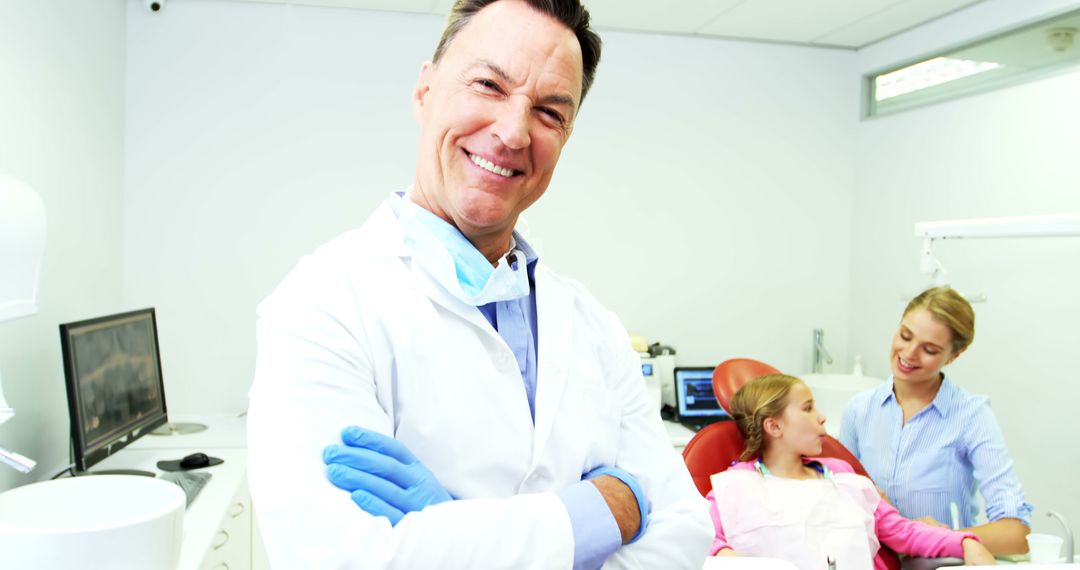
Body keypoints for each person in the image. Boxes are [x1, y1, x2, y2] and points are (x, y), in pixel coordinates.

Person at [245, 0, 713, 568]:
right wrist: (604, 511)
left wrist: (449, 533)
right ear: (425, 91)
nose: (514, 132)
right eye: (489, 84)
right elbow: (339, 558)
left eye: (549, 112)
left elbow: (683, 535)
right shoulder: (322, 304)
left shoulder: (594, 325)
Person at [707, 374, 996, 569]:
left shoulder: (841, 477)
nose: (821, 417)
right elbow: (704, 541)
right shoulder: (734, 488)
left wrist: (965, 542)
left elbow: (900, 530)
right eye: (807, 408)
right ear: (774, 426)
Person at [840, 286, 1033, 555]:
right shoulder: (859, 410)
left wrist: (940, 538)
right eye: (905, 336)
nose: (909, 353)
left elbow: (1016, 533)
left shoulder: (971, 416)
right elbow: (836, 497)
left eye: (929, 349)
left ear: (955, 354)